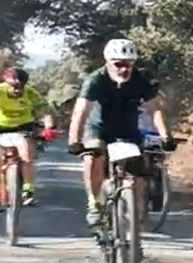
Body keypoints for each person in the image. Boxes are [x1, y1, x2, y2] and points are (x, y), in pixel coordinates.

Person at [65, 38, 176, 232]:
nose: (124, 69)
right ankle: (94, 202)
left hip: (127, 130)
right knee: (93, 156)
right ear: (108, 62)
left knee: (138, 174)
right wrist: (74, 139)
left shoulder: (139, 79)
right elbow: (81, 111)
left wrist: (165, 135)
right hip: (98, 128)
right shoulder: (95, 79)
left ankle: (134, 215)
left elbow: (153, 109)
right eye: (119, 64)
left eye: (128, 64)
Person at [0, 68, 57, 212]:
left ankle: (28, 189)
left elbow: (44, 111)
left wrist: (49, 127)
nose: (17, 90)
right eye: (13, 86)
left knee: (27, 153)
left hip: (22, 125)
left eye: (20, 87)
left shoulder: (31, 93)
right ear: (5, 83)